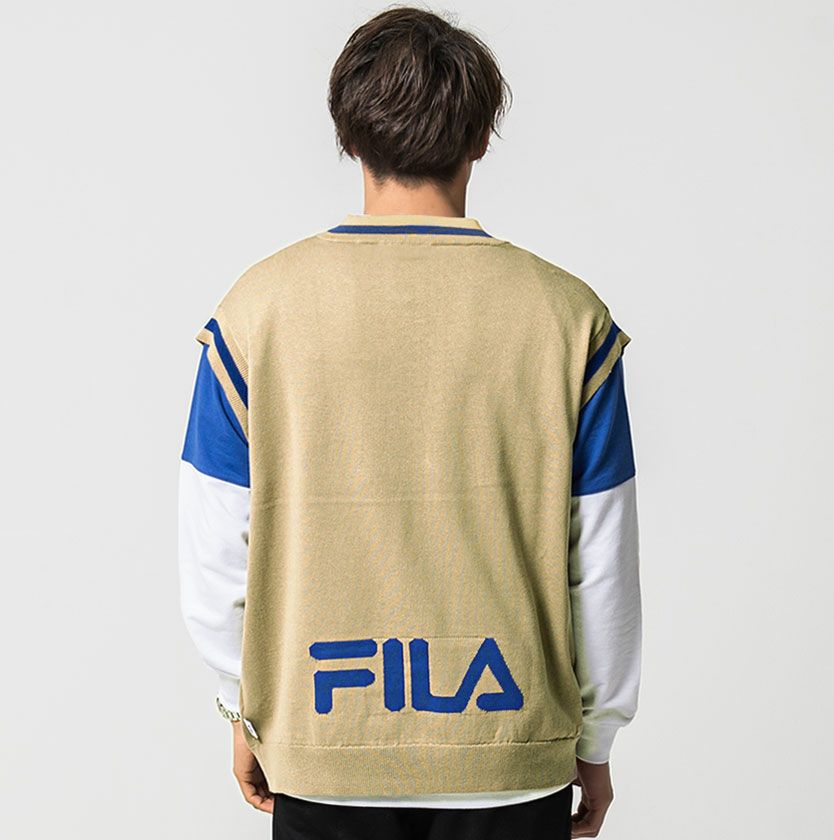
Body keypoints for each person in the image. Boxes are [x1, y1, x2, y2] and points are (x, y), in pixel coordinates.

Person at [177, 6, 642, 839]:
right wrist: (596, 740)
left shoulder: (256, 314)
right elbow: (601, 561)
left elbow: (216, 553)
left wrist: (244, 709)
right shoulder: (569, 320)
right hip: (508, 755)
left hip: (322, 749)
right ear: (482, 138)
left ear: (347, 135)